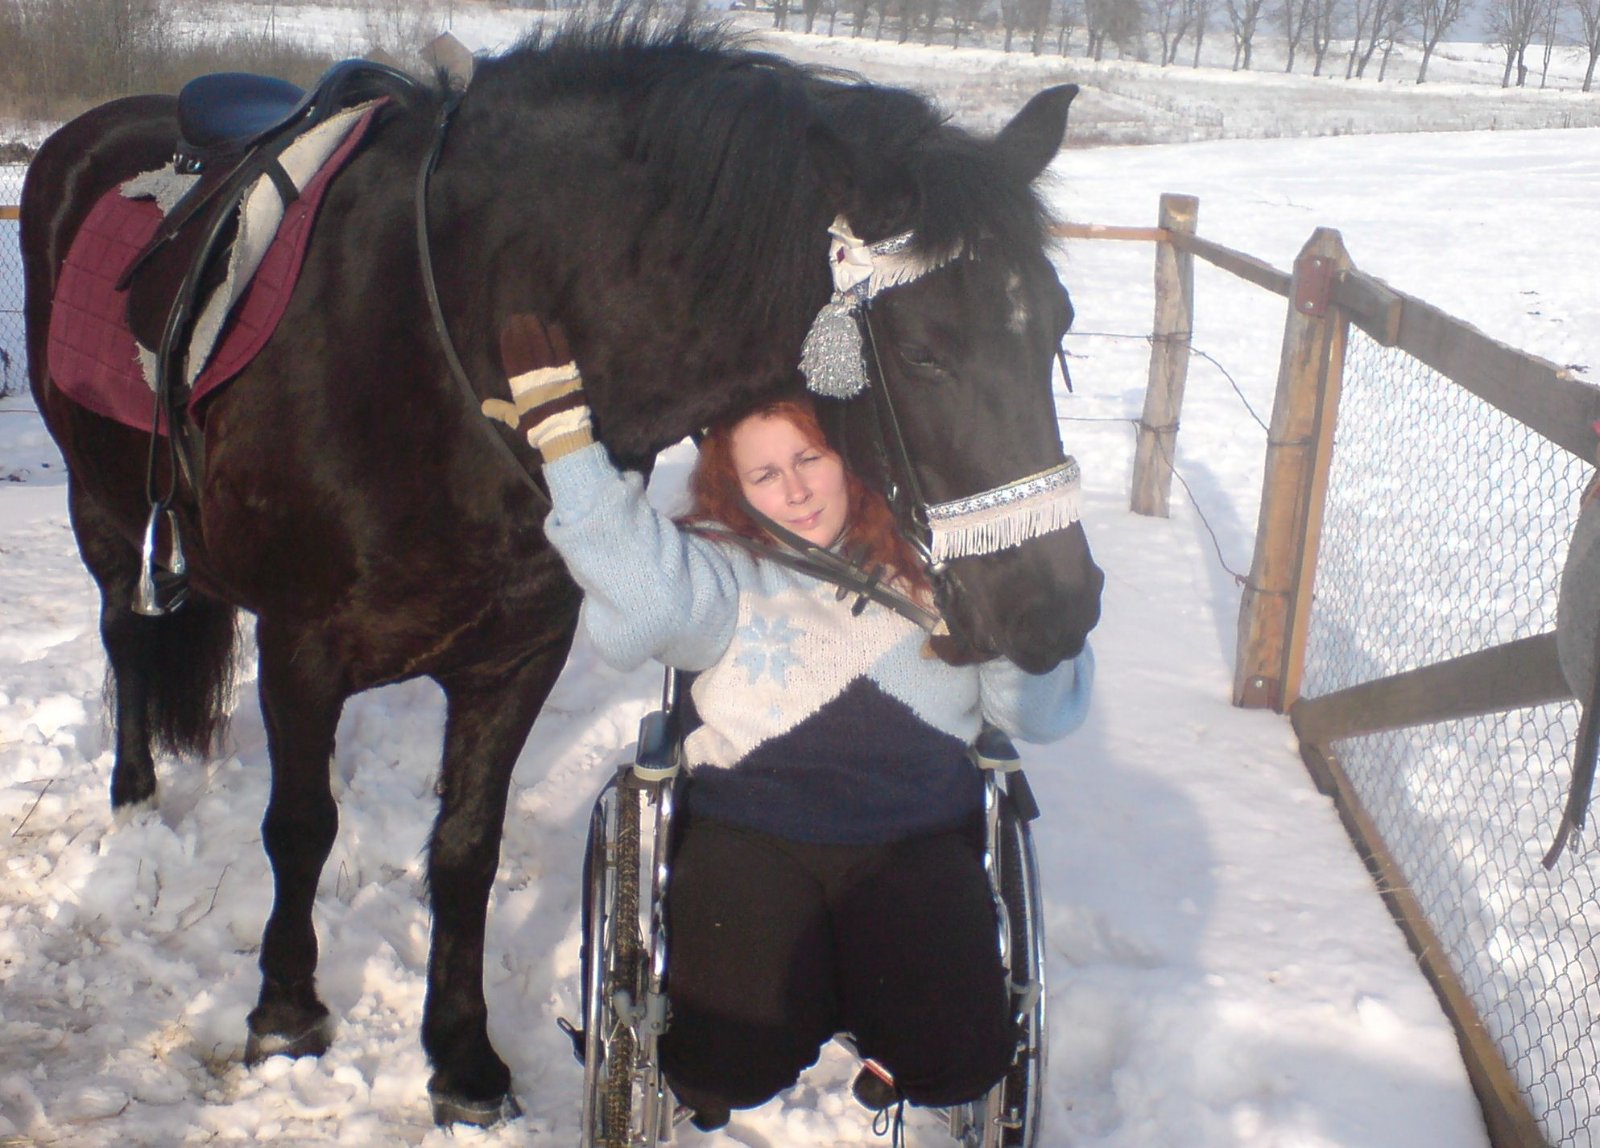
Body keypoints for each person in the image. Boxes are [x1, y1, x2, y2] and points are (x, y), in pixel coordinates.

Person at [485, 317, 1094, 1131]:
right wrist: (567, 447)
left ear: (852, 455)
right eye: (766, 474)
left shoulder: (938, 564)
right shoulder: (721, 568)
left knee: (959, 1060)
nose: (796, 491)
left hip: (915, 838)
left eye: (810, 458)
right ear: (733, 486)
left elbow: (1034, 714)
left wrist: (1028, 621)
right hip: (753, 835)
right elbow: (647, 595)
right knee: (718, 1065)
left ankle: (881, 1027)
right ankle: (800, 1009)